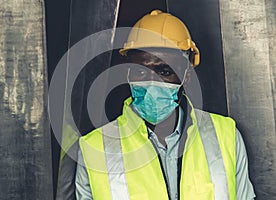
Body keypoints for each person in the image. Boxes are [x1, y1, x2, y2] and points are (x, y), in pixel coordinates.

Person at [75, 10, 255, 200]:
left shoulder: (225, 136)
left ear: (186, 76)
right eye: (141, 71)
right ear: (128, 74)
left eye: (164, 71)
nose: (152, 82)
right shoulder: (95, 149)